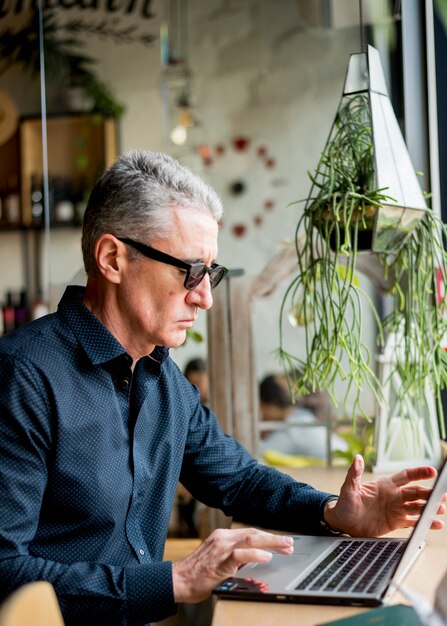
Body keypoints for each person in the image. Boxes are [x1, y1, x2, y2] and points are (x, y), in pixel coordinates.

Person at [0, 150, 444, 626]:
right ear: (112, 258)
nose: (205, 297)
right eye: (191, 271)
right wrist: (178, 579)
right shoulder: (22, 376)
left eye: (211, 273)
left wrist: (335, 513)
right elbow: (5, 572)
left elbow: (240, 480)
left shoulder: (162, 376)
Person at [259, 373, 348, 460]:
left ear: (272, 404)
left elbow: (258, 453)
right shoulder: (301, 416)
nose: (260, 413)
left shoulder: (292, 428)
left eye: (260, 406)